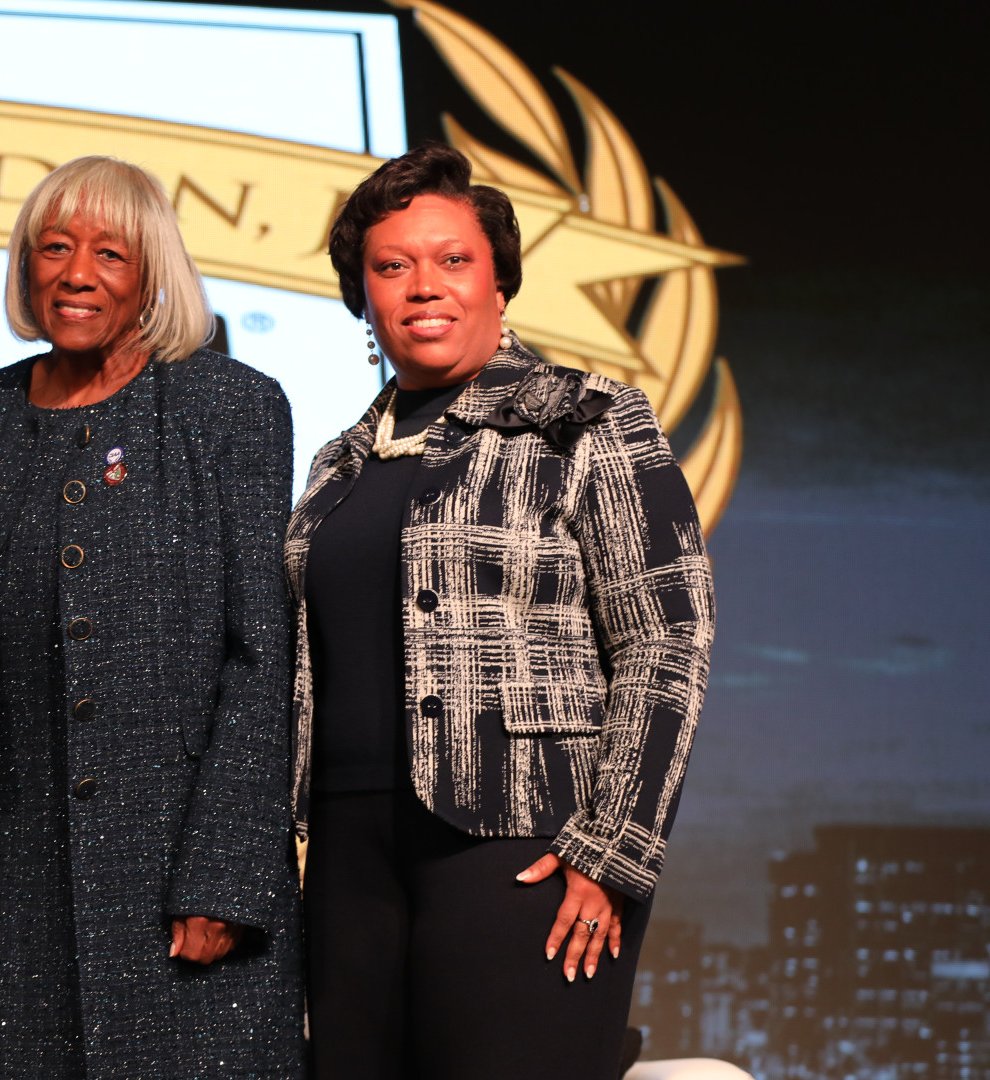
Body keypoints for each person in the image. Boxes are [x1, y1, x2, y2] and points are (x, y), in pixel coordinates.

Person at [286, 141, 716, 1079]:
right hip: (350, 863)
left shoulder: (586, 419)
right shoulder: (337, 463)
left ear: (499, 283)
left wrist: (610, 851)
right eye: (392, 267)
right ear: (363, 297)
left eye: (453, 260)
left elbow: (666, 640)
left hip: (523, 851)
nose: (423, 285)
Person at [0, 156, 305, 1078]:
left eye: (111, 253)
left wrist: (227, 873)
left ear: (152, 275)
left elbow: (260, 655)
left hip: (178, 890)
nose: (77, 273)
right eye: (55, 248)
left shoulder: (229, 409)